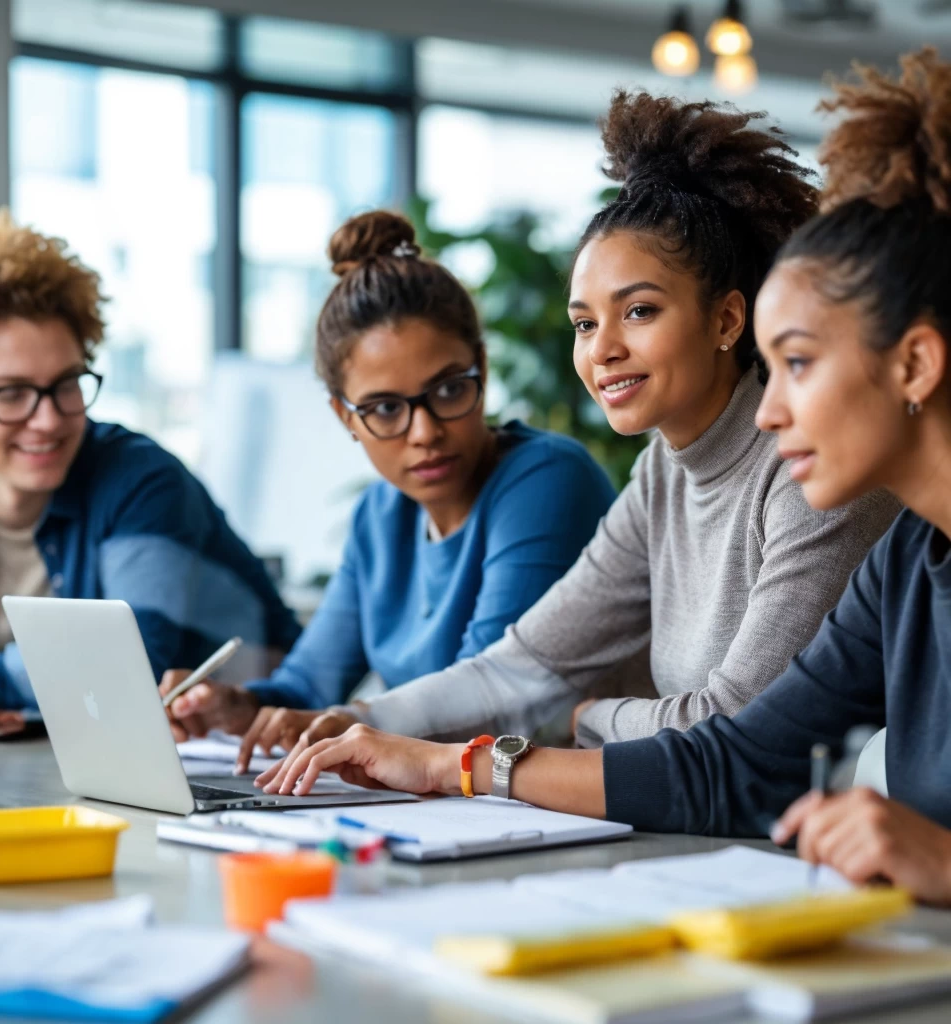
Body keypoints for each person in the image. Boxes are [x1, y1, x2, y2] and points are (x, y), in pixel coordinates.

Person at [261, 51, 951, 906]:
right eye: (586, 322)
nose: (774, 410)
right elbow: (729, 759)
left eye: (799, 363)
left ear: (916, 363)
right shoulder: (907, 558)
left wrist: (568, 718)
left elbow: (725, 744)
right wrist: (429, 752)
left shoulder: (834, 500)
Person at [163, 210, 615, 747]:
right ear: (343, 416)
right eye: (384, 409)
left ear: (483, 370)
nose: (424, 432)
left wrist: (346, 720)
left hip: (559, 802)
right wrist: (237, 707)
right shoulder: (379, 516)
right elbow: (309, 682)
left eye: (448, 390)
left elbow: (486, 696)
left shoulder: (547, 480)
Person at [0, 210, 301, 738]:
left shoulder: (141, 479)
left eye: (66, 384)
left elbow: (126, 668)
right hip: (71, 749)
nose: (50, 419)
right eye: (10, 393)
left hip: (247, 752)